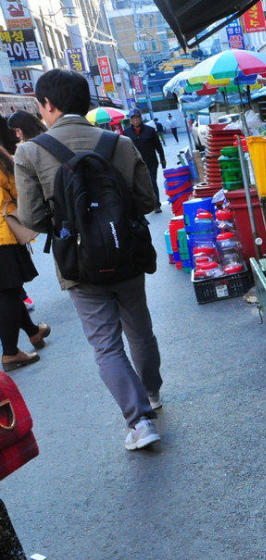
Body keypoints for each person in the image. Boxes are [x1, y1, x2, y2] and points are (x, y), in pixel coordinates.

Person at [13, 69, 163, 451]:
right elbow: (148, 201)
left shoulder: (30, 152)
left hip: (79, 266)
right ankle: (152, 394)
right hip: (127, 254)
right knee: (139, 329)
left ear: (48, 105)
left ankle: (139, 422)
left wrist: (71, 227)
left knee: (106, 344)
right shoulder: (120, 142)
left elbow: (31, 218)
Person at [0, 145, 49, 371]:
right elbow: (18, 189)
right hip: (3, 236)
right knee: (8, 292)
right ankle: (10, 353)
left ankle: (32, 331)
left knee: (9, 290)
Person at [122, 108, 166, 213]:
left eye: (137, 117)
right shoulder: (126, 133)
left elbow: (158, 146)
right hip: (135, 163)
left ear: (141, 118)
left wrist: (162, 159)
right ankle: (144, 205)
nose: (136, 120)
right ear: (130, 120)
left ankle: (156, 205)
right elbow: (123, 148)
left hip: (151, 162)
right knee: (140, 185)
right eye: (133, 118)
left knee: (152, 183)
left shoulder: (150, 130)